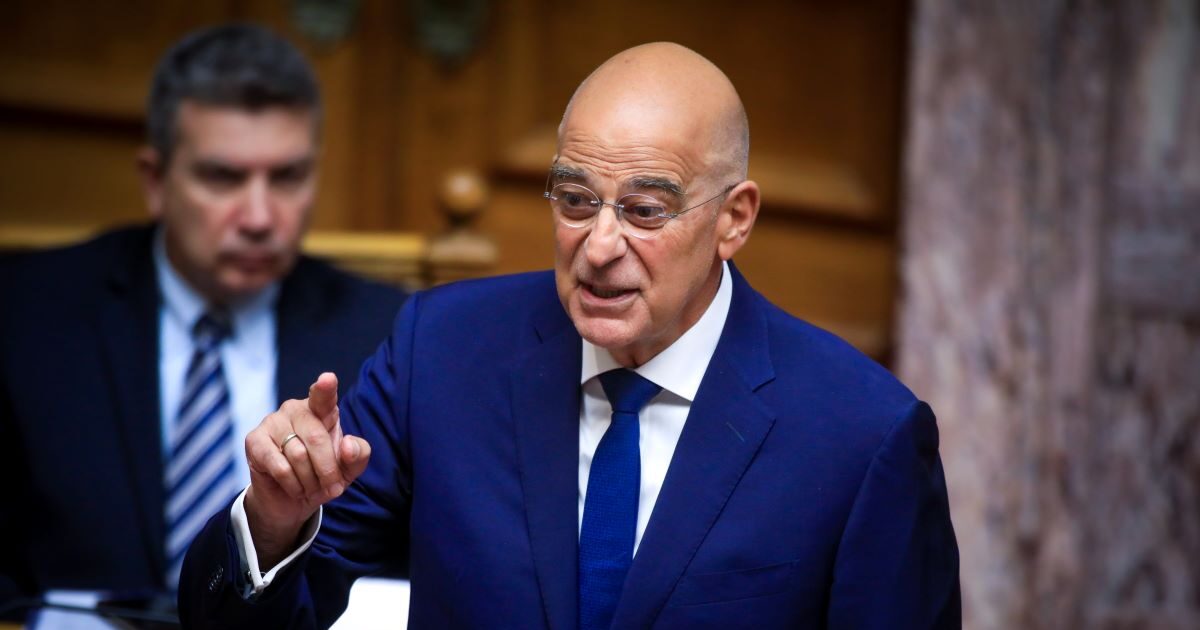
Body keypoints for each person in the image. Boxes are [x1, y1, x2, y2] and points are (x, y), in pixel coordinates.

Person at [180, 42, 960, 628]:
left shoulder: (862, 438)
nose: (599, 246)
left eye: (645, 211)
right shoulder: (443, 352)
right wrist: (273, 521)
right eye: (576, 200)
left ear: (734, 219)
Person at [0, 23, 407, 614]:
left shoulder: (389, 336)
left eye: (287, 177)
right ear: (155, 181)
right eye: (223, 177)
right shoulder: (26, 312)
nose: (260, 217)